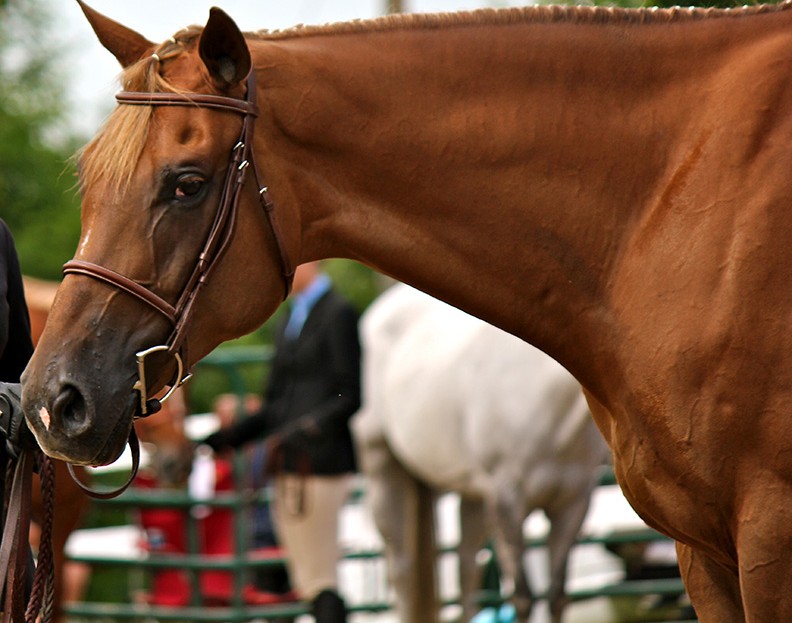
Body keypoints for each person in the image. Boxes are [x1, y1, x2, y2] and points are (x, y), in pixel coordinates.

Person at [201, 261, 361, 623]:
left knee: (320, 575)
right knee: (308, 579)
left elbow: (349, 394)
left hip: (319, 464)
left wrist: (304, 429)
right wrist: (229, 439)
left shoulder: (338, 313)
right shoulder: (289, 319)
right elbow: (276, 403)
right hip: (288, 463)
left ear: (315, 262)